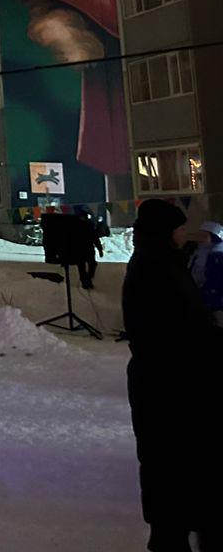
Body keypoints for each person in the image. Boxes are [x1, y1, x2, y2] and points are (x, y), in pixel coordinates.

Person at [121, 199, 223, 551]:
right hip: (170, 386)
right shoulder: (158, 269)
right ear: (166, 233)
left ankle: (173, 531)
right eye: (180, 229)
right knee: (173, 467)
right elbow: (180, 329)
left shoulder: (161, 263)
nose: (185, 234)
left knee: (172, 469)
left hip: (168, 383)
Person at [192, 220, 223, 315]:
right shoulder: (198, 252)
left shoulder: (218, 256)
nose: (200, 239)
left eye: (204, 236)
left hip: (214, 301)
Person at [78, 213, 106, 291]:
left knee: (88, 265)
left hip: (86, 249)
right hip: (84, 249)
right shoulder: (79, 227)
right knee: (84, 266)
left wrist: (100, 249)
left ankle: (87, 280)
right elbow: (95, 238)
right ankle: (86, 281)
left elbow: (95, 238)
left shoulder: (88, 226)